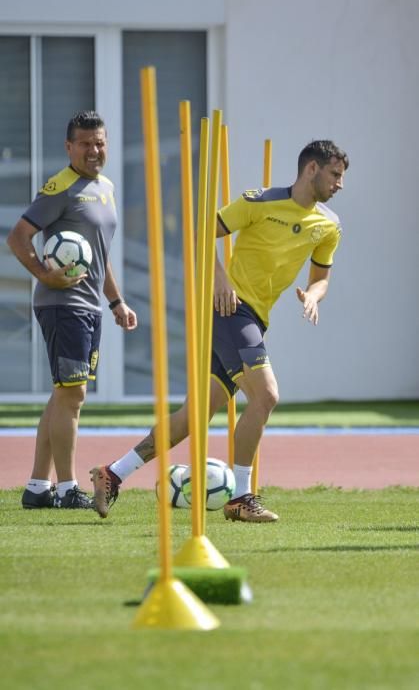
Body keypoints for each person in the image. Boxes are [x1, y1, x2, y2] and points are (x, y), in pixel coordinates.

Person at [90, 139, 349, 522]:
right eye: (335, 175)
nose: (340, 185)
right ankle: (241, 496)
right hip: (230, 310)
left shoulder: (329, 225)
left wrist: (313, 294)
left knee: (193, 417)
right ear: (311, 169)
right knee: (266, 396)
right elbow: (201, 233)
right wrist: (220, 279)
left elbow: (322, 277)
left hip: (255, 319)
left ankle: (112, 474)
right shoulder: (258, 202)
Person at [7, 110, 137, 510]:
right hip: (62, 305)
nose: (93, 150)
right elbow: (18, 237)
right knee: (73, 395)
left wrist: (115, 301)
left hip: (90, 307)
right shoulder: (60, 187)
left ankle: (35, 487)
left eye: (99, 142)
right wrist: (45, 277)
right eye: (84, 143)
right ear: (69, 147)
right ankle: (66, 489)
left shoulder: (106, 187)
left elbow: (98, 254)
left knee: (62, 396)